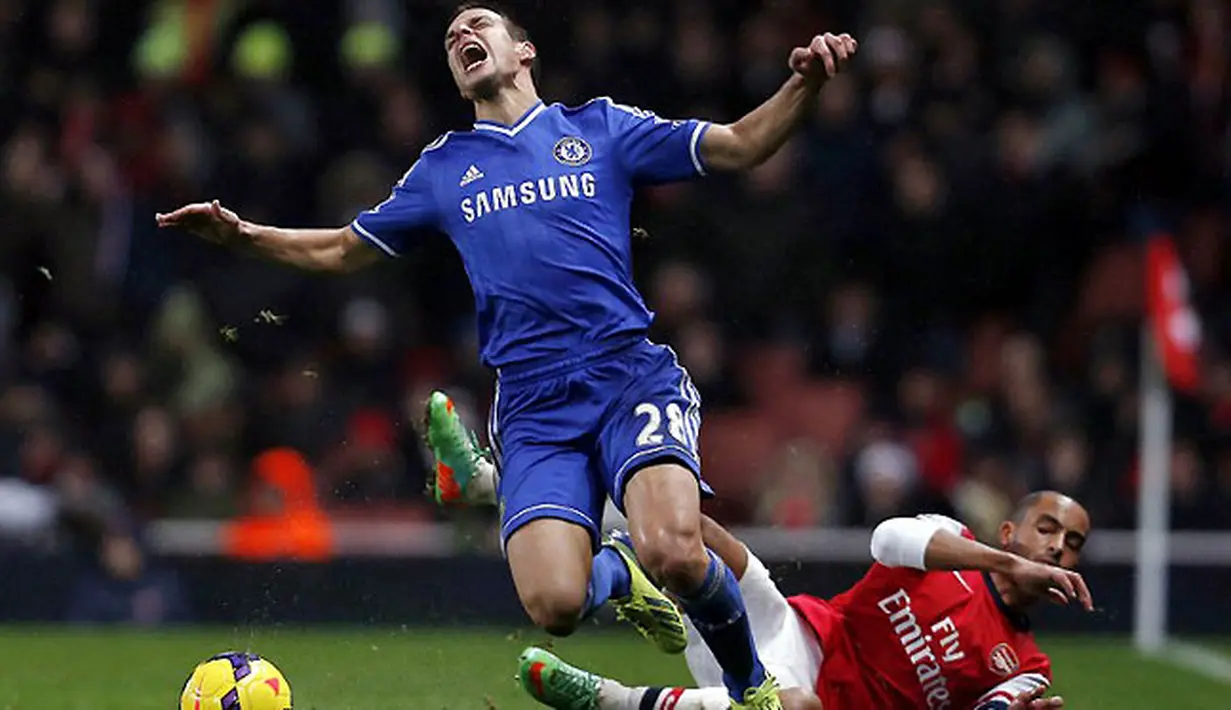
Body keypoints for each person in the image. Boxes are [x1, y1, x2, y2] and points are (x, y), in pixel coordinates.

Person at [155, 4, 858, 707]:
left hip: (625, 377)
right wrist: (246, 235)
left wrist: (806, 85)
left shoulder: (599, 128)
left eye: (478, 24)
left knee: (674, 549)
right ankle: (616, 574)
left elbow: (739, 144)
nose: (461, 35)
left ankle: (751, 690)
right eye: (450, 35)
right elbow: (343, 247)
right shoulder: (445, 168)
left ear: (522, 51)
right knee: (555, 605)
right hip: (533, 407)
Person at [422, 399, 1090, 710]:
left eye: (1070, 543)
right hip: (795, 632)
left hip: (823, 709)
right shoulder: (957, 545)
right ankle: (488, 485)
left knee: (791, 709)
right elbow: (886, 540)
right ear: (1008, 533)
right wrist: (1000, 568)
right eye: (1045, 529)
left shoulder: (1027, 666)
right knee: (695, 534)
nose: (1056, 546)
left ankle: (611, 696)